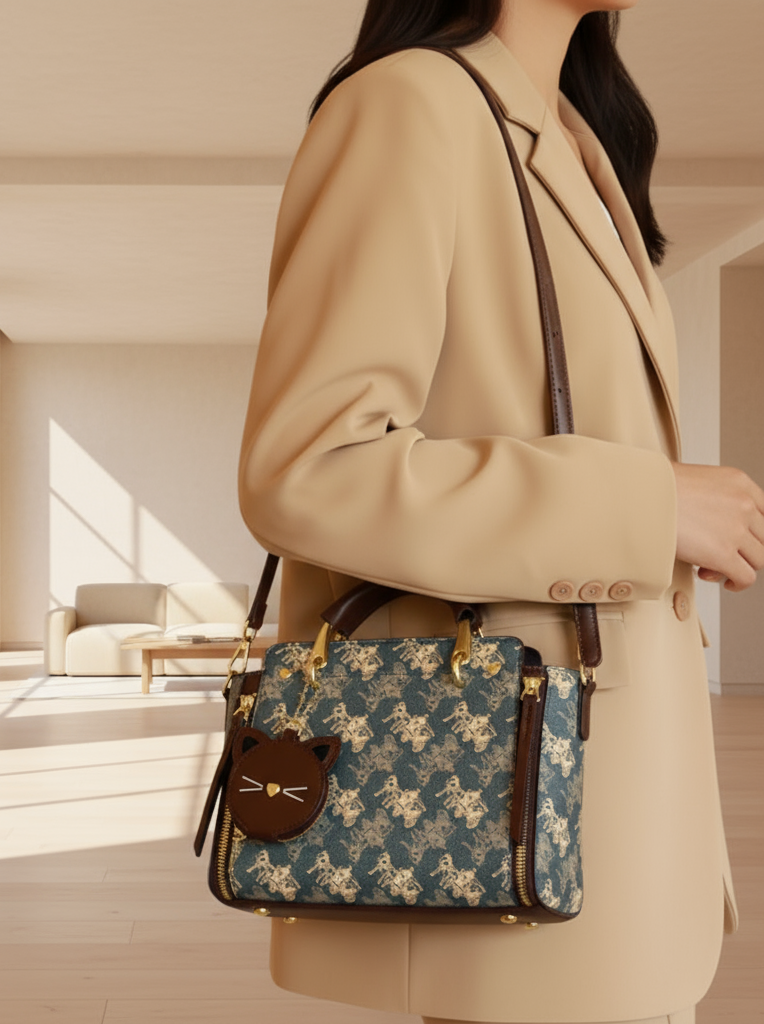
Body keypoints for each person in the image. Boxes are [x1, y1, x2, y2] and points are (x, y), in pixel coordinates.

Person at [237, 1, 764, 1021]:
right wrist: (646, 508)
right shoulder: (409, 104)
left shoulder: (576, 135)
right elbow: (307, 467)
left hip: (606, 810)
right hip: (513, 801)